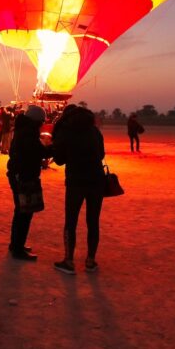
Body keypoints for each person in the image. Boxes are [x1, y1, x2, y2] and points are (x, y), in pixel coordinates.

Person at [52, 106, 106, 274]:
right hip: (96, 180)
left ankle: (69, 261)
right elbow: (101, 154)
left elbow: (59, 160)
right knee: (93, 220)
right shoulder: (94, 131)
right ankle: (90, 260)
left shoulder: (66, 131)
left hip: (76, 181)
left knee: (71, 221)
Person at [6, 105, 50, 261]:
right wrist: (52, 148)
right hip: (24, 177)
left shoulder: (21, 130)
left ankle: (15, 244)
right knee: (25, 212)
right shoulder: (29, 133)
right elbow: (39, 152)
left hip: (17, 174)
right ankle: (18, 249)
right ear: (37, 121)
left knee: (19, 211)